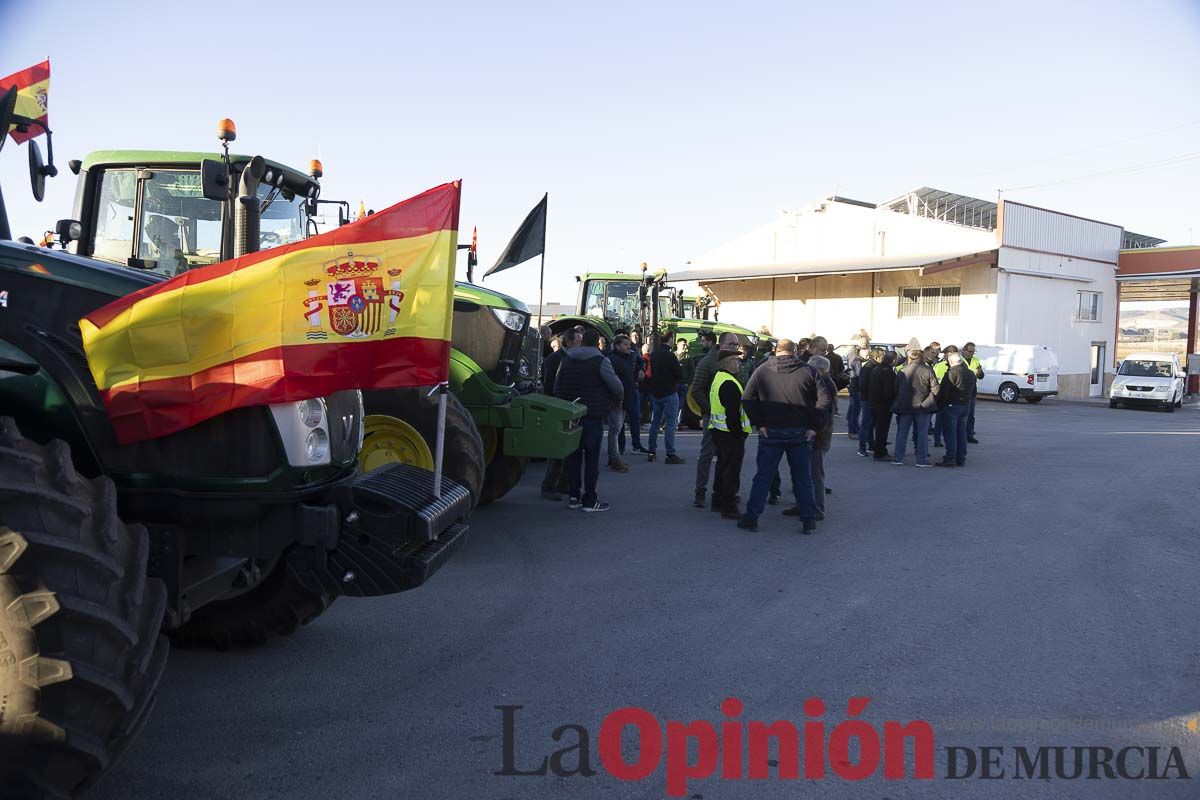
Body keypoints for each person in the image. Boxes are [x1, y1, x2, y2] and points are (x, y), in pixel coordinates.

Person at [739, 339, 827, 534]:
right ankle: (808, 520)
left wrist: (759, 422)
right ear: (795, 352)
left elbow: (747, 397)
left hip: (771, 431)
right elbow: (824, 400)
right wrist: (814, 426)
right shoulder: (809, 371)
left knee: (763, 476)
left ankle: (752, 517)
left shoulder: (762, 370)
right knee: (803, 478)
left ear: (776, 351)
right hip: (800, 432)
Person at [554, 328, 623, 511]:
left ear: (582, 341)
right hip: (592, 414)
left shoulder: (566, 359)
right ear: (596, 344)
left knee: (573, 457)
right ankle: (590, 499)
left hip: (570, 414)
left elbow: (557, 385)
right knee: (592, 459)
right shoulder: (600, 361)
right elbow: (617, 387)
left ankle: (573, 496)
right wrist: (614, 401)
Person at [690, 331, 740, 507]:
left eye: (736, 345)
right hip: (713, 417)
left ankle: (726, 492)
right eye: (732, 345)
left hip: (731, 417)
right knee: (707, 455)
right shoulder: (708, 362)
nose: (735, 348)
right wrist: (710, 410)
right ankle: (700, 492)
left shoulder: (736, 362)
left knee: (729, 457)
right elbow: (696, 389)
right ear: (722, 344)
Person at [708, 351, 751, 519]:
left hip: (719, 431)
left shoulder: (719, 378)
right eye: (736, 361)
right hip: (730, 434)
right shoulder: (729, 383)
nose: (739, 364)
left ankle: (718, 500)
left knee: (722, 467)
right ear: (725, 363)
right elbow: (732, 414)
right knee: (731, 472)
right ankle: (729, 506)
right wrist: (739, 434)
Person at [540, 331, 576, 500]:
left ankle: (562, 483)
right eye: (577, 341)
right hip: (558, 406)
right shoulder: (556, 359)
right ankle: (549, 485)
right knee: (557, 449)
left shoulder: (569, 358)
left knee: (567, 448)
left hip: (567, 406)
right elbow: (549, 385)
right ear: (568, 342)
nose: (580, 345)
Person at [891, 348, 939, 467]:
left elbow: (895, 389)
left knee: (902, 432)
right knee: (922, 434)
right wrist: (928, 402)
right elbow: (936, 389)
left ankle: (898, 458)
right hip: (922, 407)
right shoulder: (928, 370)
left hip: (905, 406)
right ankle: (921, 460)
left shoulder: (902, 370)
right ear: (921, 357)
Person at [804, 355, 837, 521]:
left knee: (816, 474)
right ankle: (804, 503)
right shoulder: (823, 382)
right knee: (810, 473)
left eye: (810, 367)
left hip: (819, 437)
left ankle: (818, 509)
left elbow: (823, 414)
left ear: (821, 369)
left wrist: (813, 431)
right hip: (820, 435)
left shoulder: (825, 385)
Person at [647, 334, 685, 464]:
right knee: (670, 424)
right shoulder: (670, 355)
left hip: (656, 392)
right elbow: (679, 373)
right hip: (669, 391)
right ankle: (670, 453)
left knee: (655, 422)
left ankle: (651, 450)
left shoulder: (654, 354)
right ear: (670, 340)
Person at [936, 351, 976, 467]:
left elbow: (944, 392)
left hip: (952, 406)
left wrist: (940, 406)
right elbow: (974, 391)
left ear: (951, 361)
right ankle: (961, 457)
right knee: (961, 431)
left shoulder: (951, 373)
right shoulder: (970, 373)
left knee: (950, 433)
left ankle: (950, 458)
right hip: (965, 406)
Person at [606, 334, 638, 472]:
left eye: (629, 345)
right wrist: (615, 399)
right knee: (615, 430)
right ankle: (614, 458)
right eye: (625, 344)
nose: (628, 347)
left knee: (617, 429)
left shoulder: (626, 358)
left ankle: (614, 457)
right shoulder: (613, 359)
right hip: (617, 401)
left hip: (624, 399)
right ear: (617, 345)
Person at [869, 351, 898, 460]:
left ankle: (879, 449)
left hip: (874, 402)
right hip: (883, 405)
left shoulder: (876, 369)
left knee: (878, 428)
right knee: (882, 429)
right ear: (893, 360)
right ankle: (880, 452)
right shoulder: (888, 372)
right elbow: (888, 391)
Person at [930, 345, 957, 449]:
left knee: (940, 420)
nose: (944, 355)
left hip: (942, 396)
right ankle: (939, 440)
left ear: (950, 354)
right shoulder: (958, 364)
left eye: (946, 353)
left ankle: (938, 440)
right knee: (942, 420)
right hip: (947, 396)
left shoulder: (940, 365)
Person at [856, 348, 877, 457]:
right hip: (867, 399)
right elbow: (863, 384)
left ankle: (871, 444)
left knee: (871, 423)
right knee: (866, 423)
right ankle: (862, 447)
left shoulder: (872, 366)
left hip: (870, 398)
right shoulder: (868, 368)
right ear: (876, 357)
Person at [962, 342, 984, 444]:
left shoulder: (976, 360)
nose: (971, 354)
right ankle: (961, 434)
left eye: (973, 352)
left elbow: (980, 376)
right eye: (970, 351)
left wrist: (980, 372)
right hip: (961, 390)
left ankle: (969, 434)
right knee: (962, 415)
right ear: (964, 350)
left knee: (971, 415)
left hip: (972, 390)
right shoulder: (959, 360)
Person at [847, 346, 866, 438]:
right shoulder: (857, 361)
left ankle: (853, 428)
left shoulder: (852, 359)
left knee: (853, 409)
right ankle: (853, 430)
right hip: (856, 386)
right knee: (855, 409)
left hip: (853, 385)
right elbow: (859, 375)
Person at [675, 338, 690, 422]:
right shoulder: (673, 355)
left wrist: (688, 382)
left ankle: (678, 422)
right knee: (674, 403)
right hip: (675, 384)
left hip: (684, 384)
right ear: (678, 345)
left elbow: (692, 370)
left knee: (681, 404)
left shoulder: (688, 356)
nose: (685, 346)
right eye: (683, 344)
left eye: (685, 344)